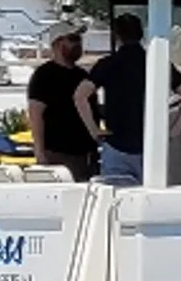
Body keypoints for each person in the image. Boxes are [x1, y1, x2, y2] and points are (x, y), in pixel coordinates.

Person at [75, 12, 166, 187]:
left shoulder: (108, 64)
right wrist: (172, 130)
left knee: (115, 196)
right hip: (151, 146)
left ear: (117, 36)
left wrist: (94, 130)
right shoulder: (155, 63)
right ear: (141, 34)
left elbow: (80, 96)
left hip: (116, 143)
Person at [25, 19, 95, 179]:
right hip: (57, 154)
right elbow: (35, 114)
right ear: (57, 43)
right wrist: (40, 152)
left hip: (85, 154)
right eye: (73, 39)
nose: (78, 44)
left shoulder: (82, 75)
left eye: (79, 39)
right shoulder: (44, 76)